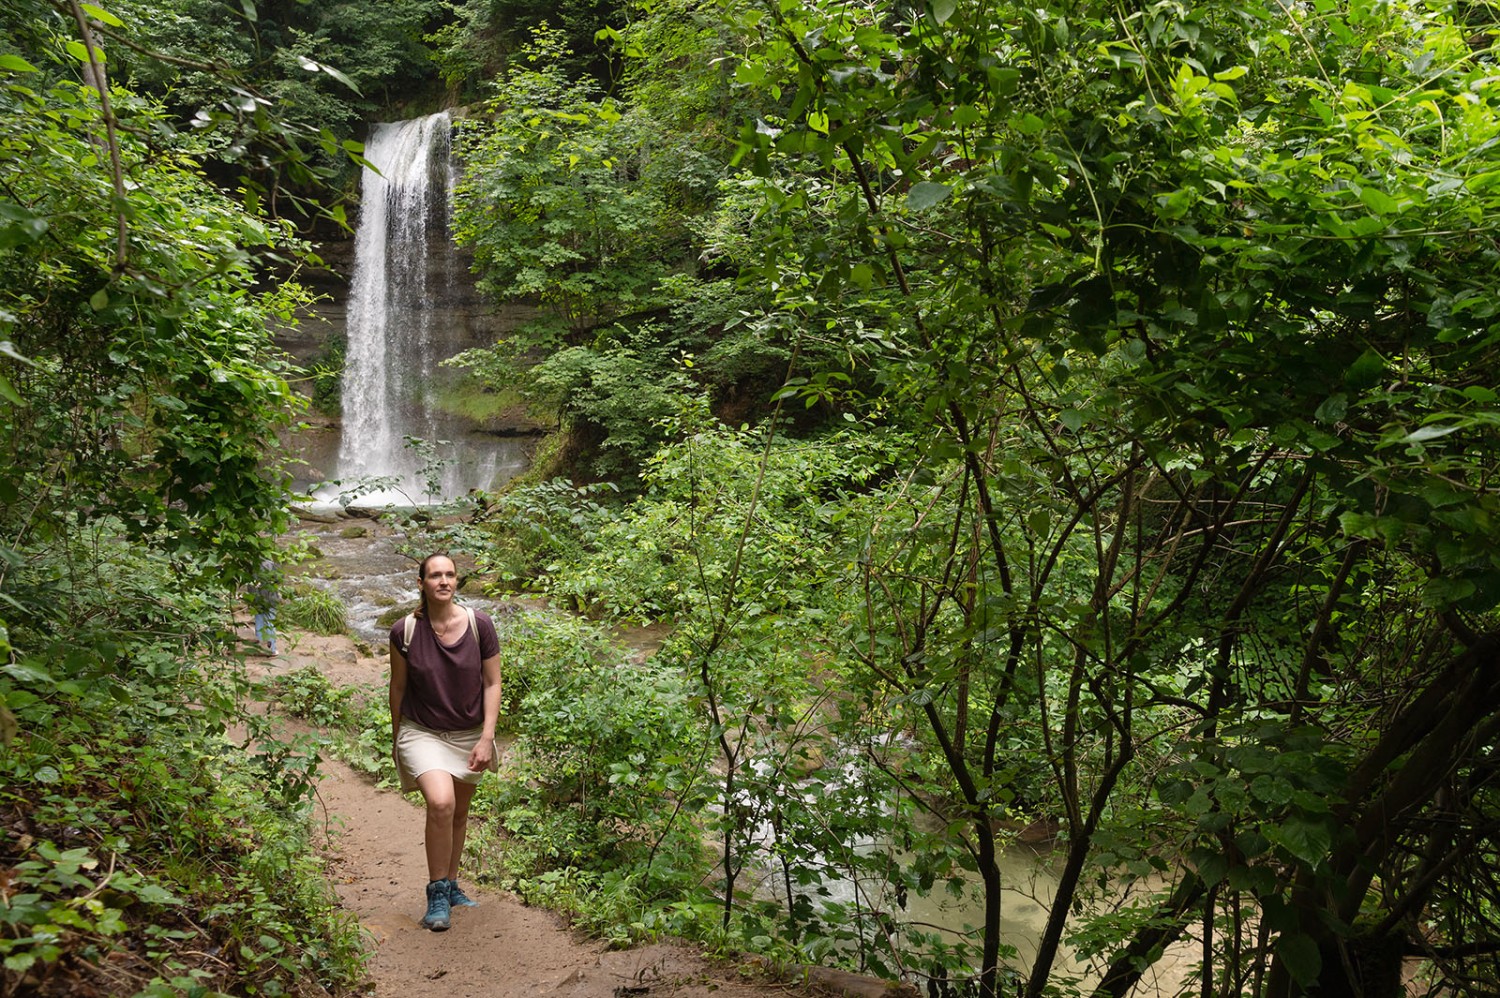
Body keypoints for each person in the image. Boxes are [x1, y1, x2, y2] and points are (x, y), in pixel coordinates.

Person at [388, 553, 502, 931]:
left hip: (469, 733)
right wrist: (397, 738)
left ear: (456, 582)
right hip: (422, 730)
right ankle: (436, 891)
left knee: (459, 813)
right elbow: (398, 687)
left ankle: (452, 884)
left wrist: (487, 737)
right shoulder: (403, 631)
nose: (444, 581)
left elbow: (492, 682)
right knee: (441, 802)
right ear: (420, 583)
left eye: (450, 574)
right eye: (435, 575)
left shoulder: (478, 624)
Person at [248, 559, 280, 656]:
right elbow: (279, 579)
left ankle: (262, 647)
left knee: (259, 622)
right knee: (270, 623)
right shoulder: (272, 564)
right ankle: (272, 649)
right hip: (271, 599)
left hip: (257, 599)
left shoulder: (252, 564)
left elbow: (249, 585)